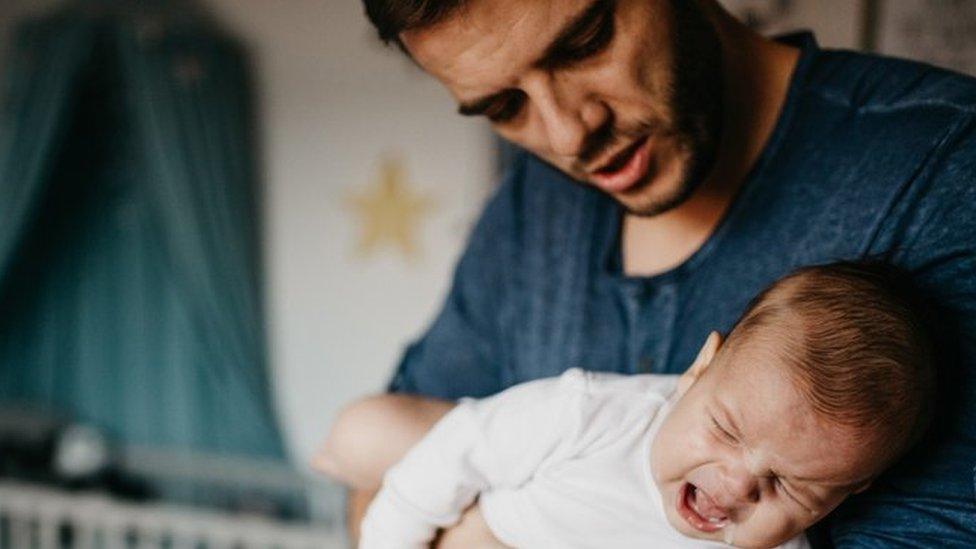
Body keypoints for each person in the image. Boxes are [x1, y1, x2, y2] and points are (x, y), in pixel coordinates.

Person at [348, 0, 976, 545]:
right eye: (505, 105)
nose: (569, 136)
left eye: (584, 41)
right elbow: (372, 485)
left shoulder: (947, 175)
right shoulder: (528, 211)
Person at [321, 263, 936, 548]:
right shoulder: (595, 412)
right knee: (367, 432)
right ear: (697, 373)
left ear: (848, 492)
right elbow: (458, 452)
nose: (738, 485)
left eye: (791, 487)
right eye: (724, 429)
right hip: (495, 480)